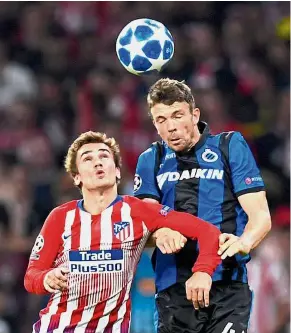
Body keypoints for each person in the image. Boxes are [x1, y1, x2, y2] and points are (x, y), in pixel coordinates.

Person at [24, 131, 221, 333]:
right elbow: (31, 277)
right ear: (77, 177)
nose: (97, 162)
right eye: (88, 159)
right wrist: (47, 278)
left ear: (117, 171)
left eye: (104, 156)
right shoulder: (61, 217)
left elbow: (208, 231)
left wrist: (203, 272)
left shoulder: (138, 211)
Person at [134, 78, 272, 333]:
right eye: (161, 120)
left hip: (227, 285)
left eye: (177, 115)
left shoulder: (229, 146)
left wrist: (245, 241)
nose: (171, 127)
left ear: (195, 114)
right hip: (173, 291)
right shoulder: (150, 159)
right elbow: (145, 223)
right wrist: (160, 232)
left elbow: (261, 216)